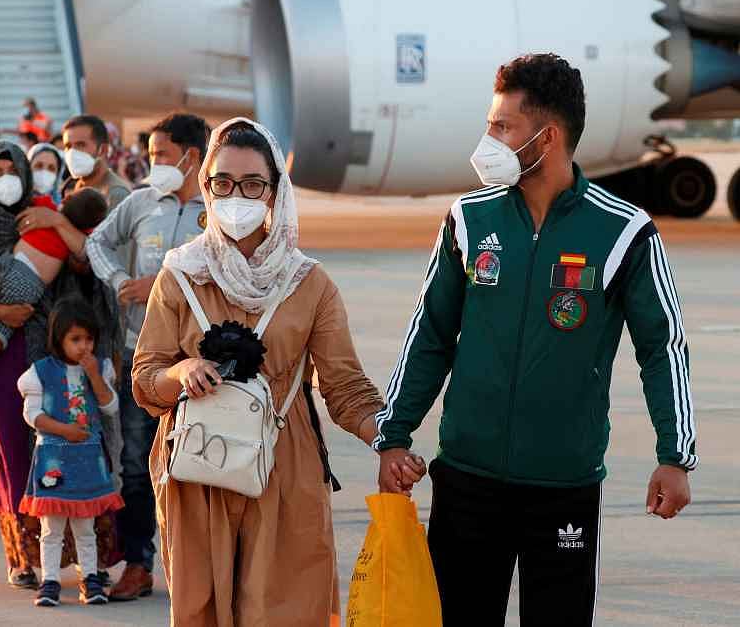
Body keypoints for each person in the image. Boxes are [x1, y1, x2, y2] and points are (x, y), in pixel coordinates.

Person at [374, 53, 697, 626]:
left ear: (546, 137)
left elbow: (662, 346)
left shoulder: (624, 232)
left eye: (503, 127)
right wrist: (393, 435)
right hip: (467, 482)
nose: (489, 139)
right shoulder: (468, 220)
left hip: (563, 488)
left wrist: (676, 456)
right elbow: (430, 331)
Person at [132, 118, 383, 624]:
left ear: (275, 193)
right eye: (222, 183)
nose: (236, 196)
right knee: (202, 610)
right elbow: (145, 375)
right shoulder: (181, 275)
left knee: (285, 608)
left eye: (252, 184)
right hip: (199, 467)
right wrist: (181, 374)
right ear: (205, 185)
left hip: (285, 469)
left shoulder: (309, 283)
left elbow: (345, 387)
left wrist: (389, 439)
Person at [0, 140, 114, 589]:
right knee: (11, 451)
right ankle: (23, 557)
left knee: (61, 449)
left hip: (47, 354)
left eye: (10, 169)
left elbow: (86, 264)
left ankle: (73, 554)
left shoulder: (46, 211)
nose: (5, 178)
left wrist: (55, 221)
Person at [86, 111, 210, 601]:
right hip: (144, 359)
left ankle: (203, 569)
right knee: (137, 465)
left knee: (204, 468)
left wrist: (156, 285)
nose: (152, 163)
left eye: (160, 155)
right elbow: (98, 243)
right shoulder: (140, 203)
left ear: (192, 156)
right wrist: (121, 283)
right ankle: (138, 564)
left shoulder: (221, 208)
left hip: (204, 366)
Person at [0, 161, 107, 403]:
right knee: (1, 330)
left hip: (9, 272)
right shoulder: (72, 236)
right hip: (30, 288)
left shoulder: (46, 209)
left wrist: (55, 218)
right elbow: (85, 251)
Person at [18, 298, 124, 607]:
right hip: (54, 459)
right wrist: (64, 431)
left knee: (86, 526)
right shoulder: (40, 372)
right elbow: (31, 414)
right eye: (75, 339)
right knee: (52, 527)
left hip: (88, 460)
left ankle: (90, 578)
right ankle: (49, 580)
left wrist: (94, 376)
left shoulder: (101, 367)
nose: (84, 347)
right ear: (59, 338)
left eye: (88, 339)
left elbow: (110, 406)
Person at [61, 115, 132, 210]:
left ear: (103, 150)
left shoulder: (115, 193)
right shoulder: (79, 185)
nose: (72, 153)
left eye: (81, 145)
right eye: (68, 146)